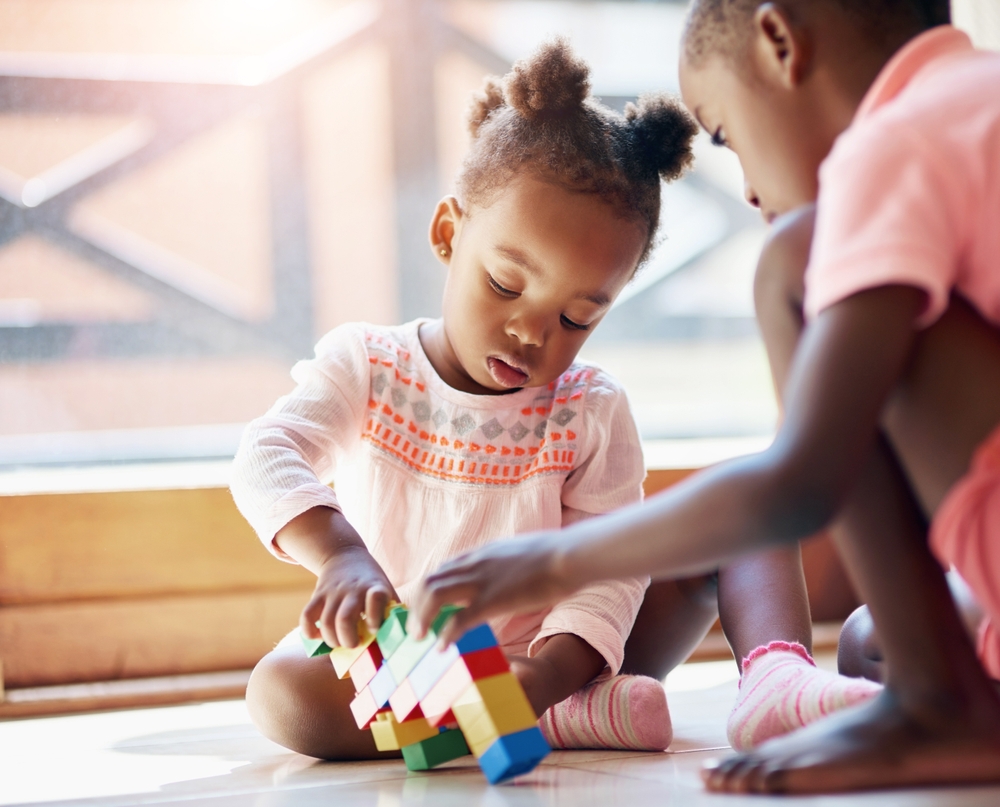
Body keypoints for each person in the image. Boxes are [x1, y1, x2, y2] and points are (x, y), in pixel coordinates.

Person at [409, 0, 1000, 793]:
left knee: (794, 258)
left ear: (780, 41)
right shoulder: (977, 99)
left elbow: (802, 484)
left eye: (725, 135)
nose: (751, 190)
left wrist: (550, 559)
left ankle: (938, 702)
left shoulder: (890, 149)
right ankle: (937, 688)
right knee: (868, 642)